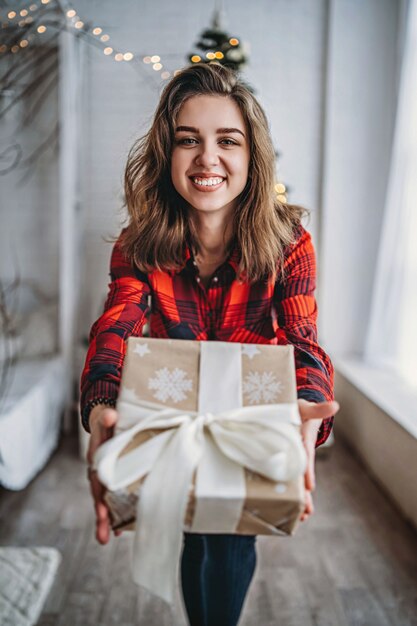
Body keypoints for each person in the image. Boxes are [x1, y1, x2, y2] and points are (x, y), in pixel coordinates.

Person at [80, 62, 339, 626]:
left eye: (228, 141)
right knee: (194, 527)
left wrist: (306, 407)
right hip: (176, 418)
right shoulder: (138, 244)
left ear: (252, 156)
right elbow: (116, 327)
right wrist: (101, 405)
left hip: (250, 418)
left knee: (227, 541)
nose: (207, 159)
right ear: (166, 154)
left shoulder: (290, 242)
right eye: (187, 141)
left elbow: (302, 338)